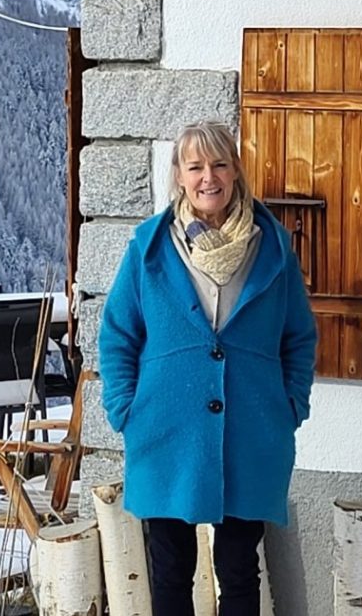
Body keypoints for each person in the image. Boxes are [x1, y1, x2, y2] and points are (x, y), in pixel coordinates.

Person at [97, 120, 318, 616]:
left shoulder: (273, 248)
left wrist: (291, 405)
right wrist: (124, 409)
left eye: (219, 163)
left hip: (252, 432)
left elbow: (298, 337)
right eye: (195, 166)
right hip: (164, 432)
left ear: (236, 170)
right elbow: (117, 335)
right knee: (171, 571)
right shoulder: (149, 248)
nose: (208, 177)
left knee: (240, 571)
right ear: (178, 174)